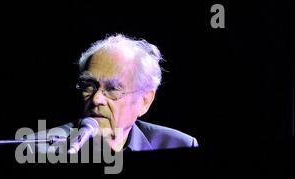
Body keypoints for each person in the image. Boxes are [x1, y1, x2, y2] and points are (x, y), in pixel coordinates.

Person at [34, 34, 198, 154]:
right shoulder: (39, 149)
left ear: (144, 101)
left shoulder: (180, 146)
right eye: (89, 86)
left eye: (112, 89)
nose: (97, 99)